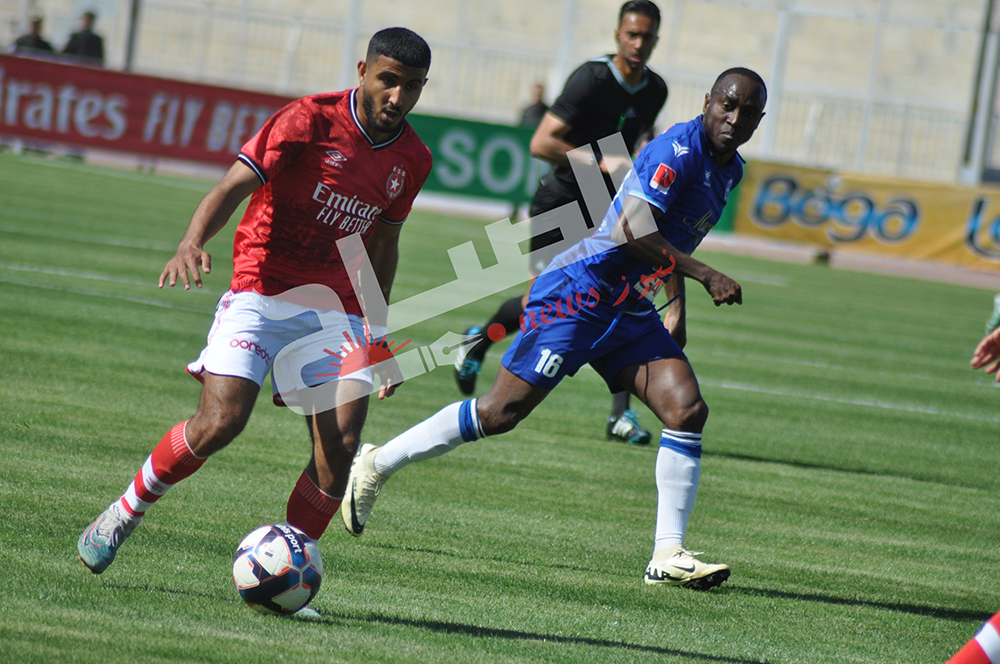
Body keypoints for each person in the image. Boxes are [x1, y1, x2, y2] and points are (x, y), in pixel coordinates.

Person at [345, 67, 768, 590]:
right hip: (578, 293)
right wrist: (704, 276)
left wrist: (675, 303)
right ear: (707, 102)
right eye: (727, 104)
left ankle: (668, 555)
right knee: (500, 414)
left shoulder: (731, 169)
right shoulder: (675, 153)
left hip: (627, 307)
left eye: (747, 112)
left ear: (758, 120)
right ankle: (377, 463)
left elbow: (675, 234)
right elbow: (629, 229)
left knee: (686, 409)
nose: (734, 117)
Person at [76, 28, 433, 586]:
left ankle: (287, 572)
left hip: (336, 308)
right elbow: (230, 187)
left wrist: (376, 333)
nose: (398, 96)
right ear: (363, 70)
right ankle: (125, 511)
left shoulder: (412, 158)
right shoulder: (307, 121)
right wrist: (192, 241)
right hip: (260, 292)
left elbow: (382, 244)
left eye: (412, 87)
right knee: (221, 422)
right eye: (389, 80)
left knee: (339, 448)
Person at [454, 0, 668, 447]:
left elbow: (639, 141)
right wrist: (600, 160)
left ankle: (619, 416)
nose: (638, 44)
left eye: (646, 37)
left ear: (655, 40)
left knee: (620, 298)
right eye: (631, 34)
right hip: (564, 198)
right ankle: (480, 339)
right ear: (617, 35)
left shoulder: (655, 90)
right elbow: (541, 141)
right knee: (541, 301)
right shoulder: (590, 78)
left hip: (607, 205)